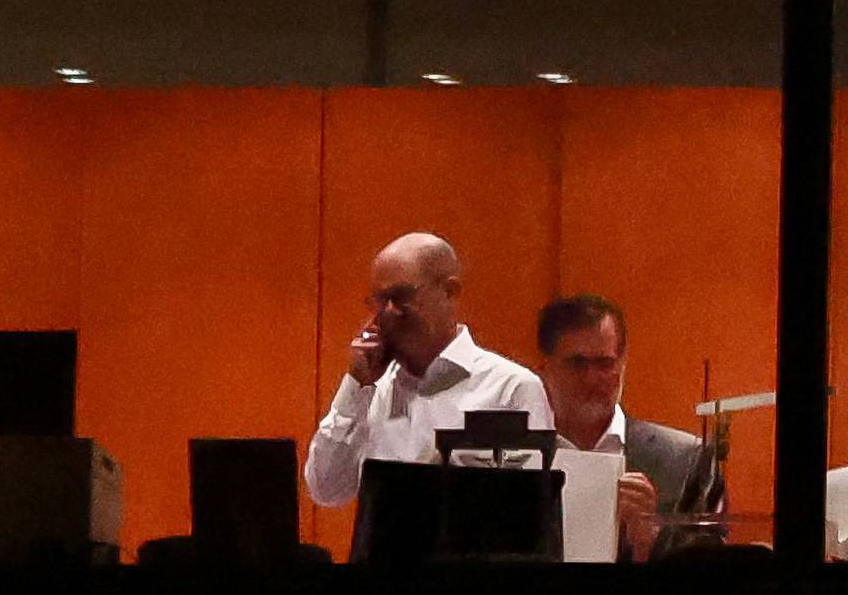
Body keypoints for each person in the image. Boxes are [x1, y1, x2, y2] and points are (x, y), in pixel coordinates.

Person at [304, 233, 551, 509]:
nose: (389, 312)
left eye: (401, 297)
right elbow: (326, 489)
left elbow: (530, 510)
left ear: (450, 291)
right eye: (380, 300)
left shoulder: (509, 388)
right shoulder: (371, 391)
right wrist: (355, 386)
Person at [536, 294, 721, 553]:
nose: (591, 379)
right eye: (577, 364)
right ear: (545, 368)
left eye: (605, 363)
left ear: (622, 365)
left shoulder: (688, 460)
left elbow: (713, 574)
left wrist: (651, 540)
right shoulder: (518, 459)